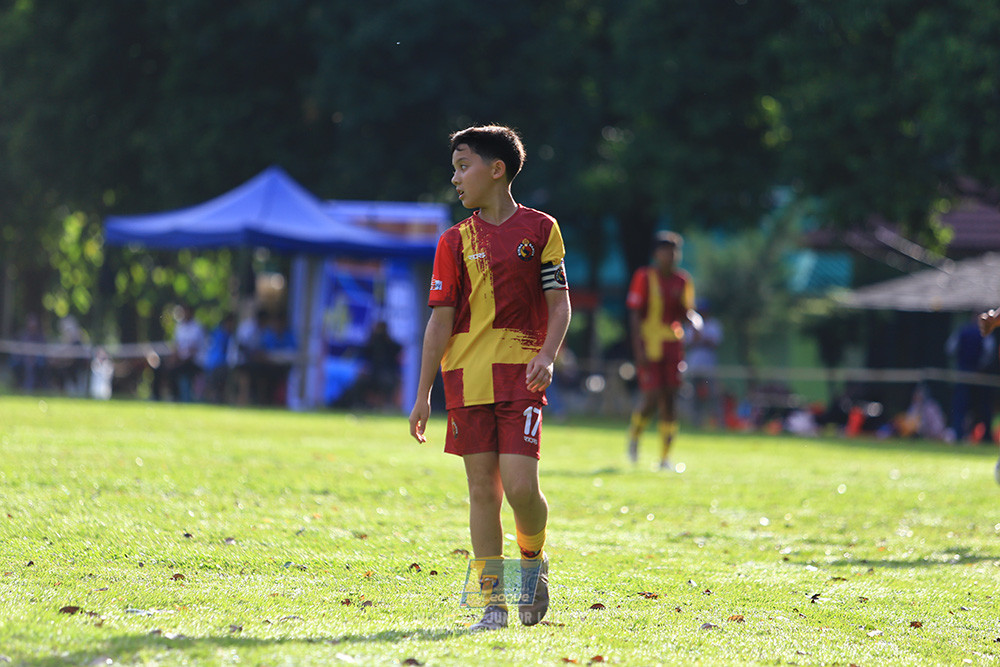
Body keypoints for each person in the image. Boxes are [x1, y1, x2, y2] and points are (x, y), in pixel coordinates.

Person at [408, 125, 571, 632]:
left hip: (522, 377)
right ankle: (493, 605)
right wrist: (422, 394)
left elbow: (559, 303)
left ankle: (533, 559)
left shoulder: (542, 230)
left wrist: (546, 354)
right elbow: (439, 320)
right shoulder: (453, 241)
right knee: (483, 491)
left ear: (496, 170)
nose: (454, 178)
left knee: (521, 489)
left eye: (463, 166)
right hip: (466, 379)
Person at [625, 231, 702, 470]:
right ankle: (635, 437)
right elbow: (635, 315)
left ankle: (665, 458)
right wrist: (638, 349)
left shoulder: (683, 280)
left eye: (675, 251)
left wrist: (695, 322)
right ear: (656, 253)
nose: (672, 255)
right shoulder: (644, 277)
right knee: (651, 397)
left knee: (670, 399)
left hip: (672, 346)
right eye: (667, 250)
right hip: (650, 344)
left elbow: (685, 311)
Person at [945, 312, 995, 441]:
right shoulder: (986, 334)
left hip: (963, 374)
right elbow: (989, 353)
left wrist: (961, 363)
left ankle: (959, 435)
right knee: (983, 406)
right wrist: (980, 367)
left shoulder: (962, 330)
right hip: (979, 375)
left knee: (960, 406)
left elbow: (950, 349)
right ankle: (986, 437)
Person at [684, 299, 722, 428]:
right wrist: (700, 338)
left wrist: (701, 338)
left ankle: (717, 422)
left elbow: (714, 343)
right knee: (694, 396)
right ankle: (696, 422)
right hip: (694, 365)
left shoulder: (713, 324)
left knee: (713, 395)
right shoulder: (692, 324)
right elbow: (688, 342)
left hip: (709, 366)